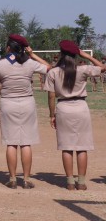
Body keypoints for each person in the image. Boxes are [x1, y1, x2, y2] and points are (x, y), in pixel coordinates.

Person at [0, 34, 51, 189]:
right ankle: (26, 179)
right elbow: (49, 68)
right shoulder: (30, 63)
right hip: (27, 103)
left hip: (8, 103)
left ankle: (12, 179)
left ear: (8, 48)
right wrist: (32, 54)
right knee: (26, 143)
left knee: (11, 143)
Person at [44, 41, 104, 191]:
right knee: (82, 147)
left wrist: (52, 114)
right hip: (81, 107)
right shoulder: (83, 69)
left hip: (63, 107)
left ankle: (70, 182)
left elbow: (51, 96)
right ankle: (81, 182)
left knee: (67, 147)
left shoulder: (53, 72)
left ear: (61, 54)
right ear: (76, 54)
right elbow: (103, 67)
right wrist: (85, 55)